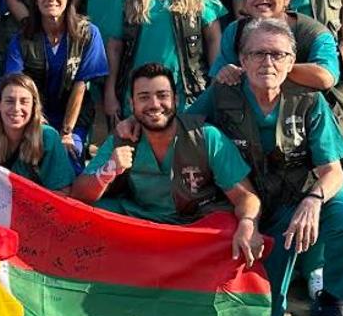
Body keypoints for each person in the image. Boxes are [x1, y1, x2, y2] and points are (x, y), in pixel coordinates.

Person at [185, 19, 343, 316]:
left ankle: (333, 301)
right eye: (257, 54)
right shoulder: (222, 94)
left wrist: (313, 201)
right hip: (255, 202)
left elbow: (333, 170)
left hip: (302, 195)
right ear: (242, 60)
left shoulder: (309, 100)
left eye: (278, 54)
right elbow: (183, 129)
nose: (267, 62)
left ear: (291, 61)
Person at [72, 65, 263, 261]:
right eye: (144, 97)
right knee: (86, 218)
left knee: (230, 229)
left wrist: (249, 224)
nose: (154, 104)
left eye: (162, 95)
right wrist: (108, 170)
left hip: (193, 224)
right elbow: (78, 194)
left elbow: (246, 197)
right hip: (139, 221)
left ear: (176, 100)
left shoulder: (205, 137)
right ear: (132, 104)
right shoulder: (121, 139)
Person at [100, 0, 224, 118]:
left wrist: (216, 83)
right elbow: (115, 46)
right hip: (138, 93)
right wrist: (110, 93)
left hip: (188, 93)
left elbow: (214, 38)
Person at [5, 0, 108, 162]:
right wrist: (42, 129)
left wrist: (66, 132)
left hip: (74, 121)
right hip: (32, 120)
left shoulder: (88, 34)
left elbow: (81, 86)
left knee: (67, 159)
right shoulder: (22, 39)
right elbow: (16, 85)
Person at [210, 0, 338, 91]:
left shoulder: (314, 34)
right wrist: (226, 73)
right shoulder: (235, 31)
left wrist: (267, 69)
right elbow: (216, 81)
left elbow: (325, 78)